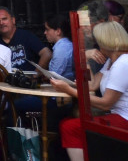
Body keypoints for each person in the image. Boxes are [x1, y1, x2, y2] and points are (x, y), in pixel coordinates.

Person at [51, 21, 128, 161]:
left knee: (70, 127)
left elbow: (106, 104)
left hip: (124, 119)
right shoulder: (111, 62)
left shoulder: (123, 63)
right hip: (118, 117)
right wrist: (84, 59)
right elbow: (91, 85)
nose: (96, 45)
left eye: (98, 41)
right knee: (67, 124)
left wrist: (68, 89)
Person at [0, 6, 51, 71]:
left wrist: (36, 74)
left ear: (13, 20)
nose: (1, 23)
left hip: (28, 79)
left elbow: (47, 53)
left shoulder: (26, 36)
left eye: (4, 19)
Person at [45, 13, 75, 81]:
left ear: (58, 31)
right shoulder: (64, 45)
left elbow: (55, 75)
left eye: (47, 29)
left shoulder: (62, 48)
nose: (45, 32)